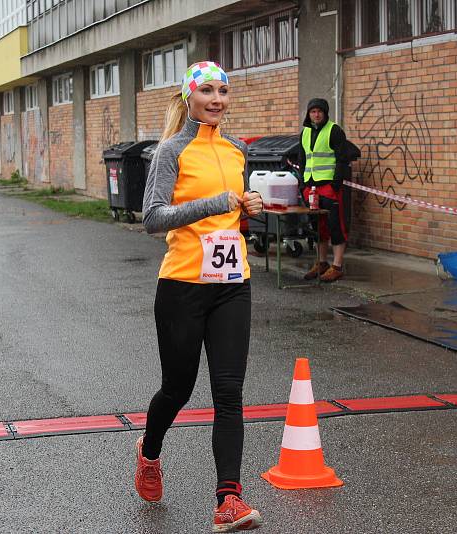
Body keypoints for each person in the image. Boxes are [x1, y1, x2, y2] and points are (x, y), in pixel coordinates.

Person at [138, 61, 263, 532]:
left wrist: (250, 205)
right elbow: (151, 217)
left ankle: (227, 499)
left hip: (232, 284)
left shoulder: (235, 150)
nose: (217, 99)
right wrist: (216, 204)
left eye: (223, 91)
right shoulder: (172, 151)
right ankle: (149, 452)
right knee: (178, 388)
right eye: (207, 90)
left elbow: (231, 215)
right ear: (188, 96)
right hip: (182, 287)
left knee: (228, 392)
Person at [297, 98, 355, 283]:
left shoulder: (334, 130)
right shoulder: (305, 132)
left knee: (335, 224)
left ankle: (336, 266)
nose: (316, 114)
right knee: (317, 227)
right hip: (311, 187)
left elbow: (342, 159)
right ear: (308, 114)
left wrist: (336, 184)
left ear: (325, 113)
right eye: (313, 111)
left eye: (319, 111)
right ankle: (321, 263)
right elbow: (303, 159)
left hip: (329, 187)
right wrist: (303, 185)